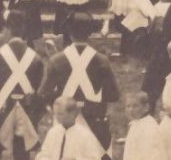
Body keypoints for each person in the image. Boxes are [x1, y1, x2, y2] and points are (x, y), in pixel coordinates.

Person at [38, 16, 120, 151]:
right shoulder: (102, 60)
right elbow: (113, 95)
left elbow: (44, 93)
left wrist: (59, 98)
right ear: (89, 34)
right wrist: (94, 98)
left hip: (65, 117)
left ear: (69, 34)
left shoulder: (56, 60)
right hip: (94, 118)